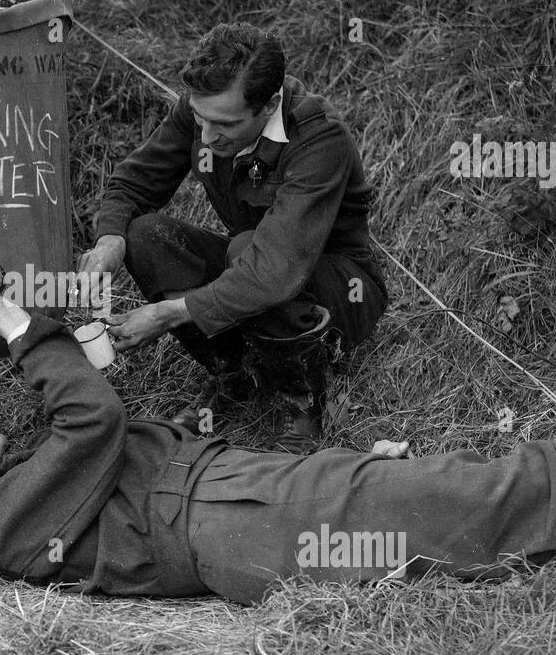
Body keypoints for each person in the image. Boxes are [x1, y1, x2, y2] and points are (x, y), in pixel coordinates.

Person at [0, 288, 556, 601]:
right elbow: (91, 421)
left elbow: (89, 425)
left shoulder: (18, 484)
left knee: (470, 514)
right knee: (494, 491)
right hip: (238, 518)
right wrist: (15, 323)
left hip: (250, 494)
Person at [75, 22, 387, 449]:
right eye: (200, 119)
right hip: (255, 262)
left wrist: (169, 314)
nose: (206, 136)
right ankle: (236, 374)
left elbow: (275, 270)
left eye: (224, 124)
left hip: (336, 287)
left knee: (248, 250)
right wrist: (110, 239)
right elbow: (132, 184)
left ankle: (301, 398)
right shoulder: (205, 112)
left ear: (270, 103)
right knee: (146, 234)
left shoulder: (319, 140)